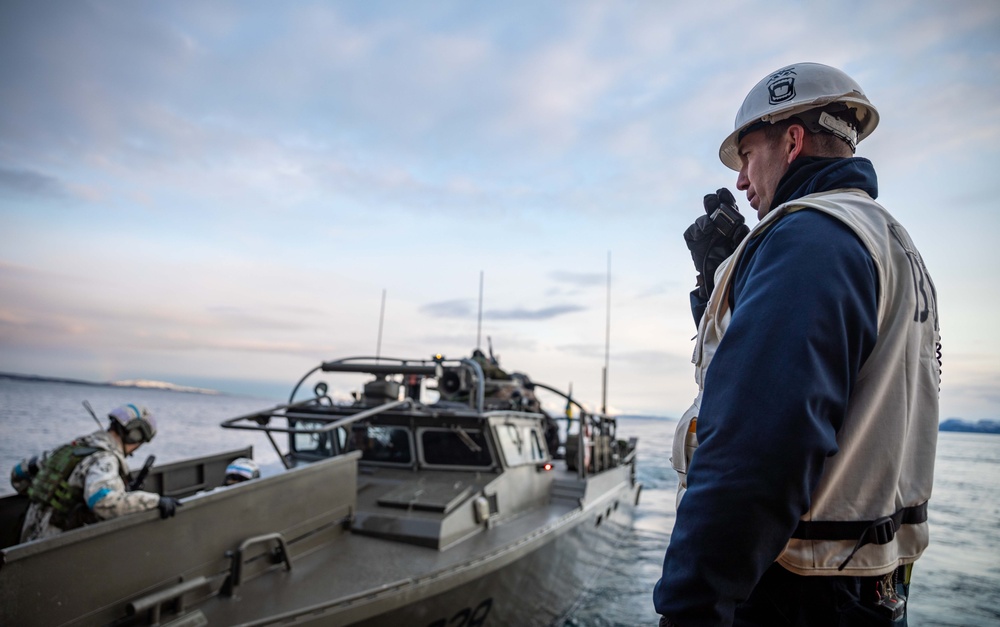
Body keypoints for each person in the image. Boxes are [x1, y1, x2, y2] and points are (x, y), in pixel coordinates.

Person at [655, 62, 941, 626]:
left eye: (746, 155)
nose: (741, 180)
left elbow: (756, 448)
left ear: (791, 141)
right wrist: (728, 292)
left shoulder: (810, 240)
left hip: (795, 595)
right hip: (872, 589)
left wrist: (690, 608)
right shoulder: (888, 241)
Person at [10, 404, 182, 543]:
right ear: (134, 435)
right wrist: (155, 501)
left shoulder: (68, 450)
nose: (133, 451)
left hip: (27, 539)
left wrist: (45, 497)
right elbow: (102, 501)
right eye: (139, 443)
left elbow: (18, 475)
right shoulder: (104, 459)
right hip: (56, 548)